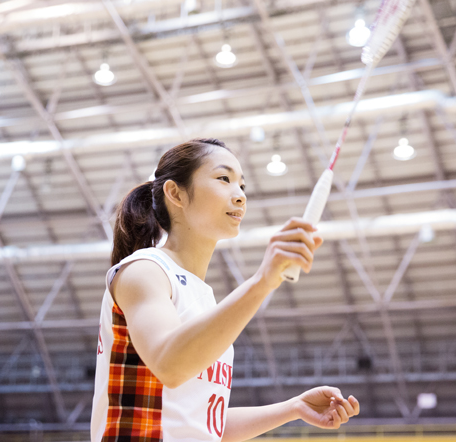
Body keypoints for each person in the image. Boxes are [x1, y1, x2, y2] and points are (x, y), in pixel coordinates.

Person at [91, 138, 360, 442]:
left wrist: (294, 407)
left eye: (242, 186)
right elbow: (170, 365)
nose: (240, 196)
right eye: (224, 179)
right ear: (175, 194)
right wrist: (262, 281)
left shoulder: (203, 298)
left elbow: (207, 425)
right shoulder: (144, 270)